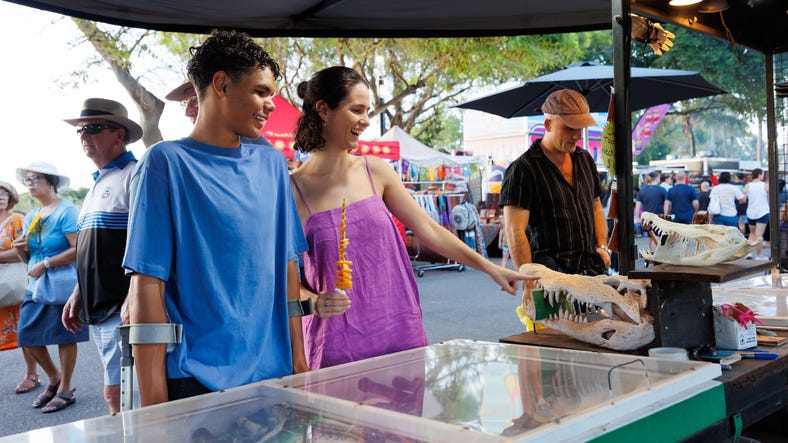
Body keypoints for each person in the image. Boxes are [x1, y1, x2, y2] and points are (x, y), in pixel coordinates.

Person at [291, 66, 532, 370]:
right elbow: (281, 277)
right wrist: (313, 301)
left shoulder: (375, 170)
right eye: (357, 110)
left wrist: (490, 268)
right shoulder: (293, 189)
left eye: (367, 110)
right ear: (324, 110)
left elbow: (430, 229)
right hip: (337, 345)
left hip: (399, 332)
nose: (365, 120)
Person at [123, 30, 308, 407]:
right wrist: (155, 407)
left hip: (273, 376)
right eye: (260, 92)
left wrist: (301, 365)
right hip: (196, 381)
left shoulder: (273, 165)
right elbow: (148, 284)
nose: (270, 105)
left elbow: (287, 269)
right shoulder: (166, 163)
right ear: (221, 84)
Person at [59, 98, 142, 414]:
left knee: (121, 397)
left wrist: (134, 297)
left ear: (118, 135)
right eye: (80, 130)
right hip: (98, 308)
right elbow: (92, 249)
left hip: (121, 308)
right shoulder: (97, 184)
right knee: (117, 397)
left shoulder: (133, 175)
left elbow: (145, 243)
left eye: (93, 128)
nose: (84, 136)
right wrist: (77, 293)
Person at [501, 89, 610, 275]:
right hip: (549, 277)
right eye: (569, 127)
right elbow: (514, 232)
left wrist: (601, 246)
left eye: (580, 127)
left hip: (591, 269)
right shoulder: (522, 169)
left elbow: (595, 206)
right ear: (548, 124)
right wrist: (529, 281)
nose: (576, 135)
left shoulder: (584, 159)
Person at [12, 162, 88, 413]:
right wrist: (20, 250)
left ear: (51, 182)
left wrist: (47, 263)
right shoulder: (32, 216)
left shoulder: (67, 211)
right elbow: (28, 258)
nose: (30, 184)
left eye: (35, 179)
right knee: (27, 334)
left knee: (65, 334)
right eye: (27, 180)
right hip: (36, 285)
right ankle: (54, 377)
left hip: (63, 282)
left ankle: (65, 389)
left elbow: (79, 250)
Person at [0, 181, 41, 394]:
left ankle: (32, 373)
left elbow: (25, 248)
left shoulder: (18, 219)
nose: (1, 196)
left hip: (15, 283)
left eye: (4, 192)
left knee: (23, 327)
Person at [634, 171, 668, 251]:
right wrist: (666, 215)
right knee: (656, 237)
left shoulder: (642, 191)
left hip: (647, 219)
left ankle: (652, 254)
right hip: (658, 218)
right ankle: (655, 256)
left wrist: (637, 217)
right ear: (656, 178)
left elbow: (637, 205)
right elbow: (666, 204)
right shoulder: (662, 190)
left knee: (651, 237)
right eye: (659, 178)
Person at [744, 168, 769, 259]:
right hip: (762, 212)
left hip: (751, 212)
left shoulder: (748, 185)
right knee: (759, 235)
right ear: (759, 174)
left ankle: (749, 253)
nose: (763, 176)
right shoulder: (765, 185)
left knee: (752, 234)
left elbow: (744, 198)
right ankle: (758, 255)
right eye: (762, 174)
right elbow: (770, 198)